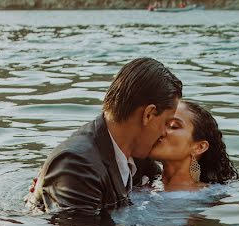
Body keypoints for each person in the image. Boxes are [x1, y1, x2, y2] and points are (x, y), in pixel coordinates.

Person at [26, 58, 182, 217]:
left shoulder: (137, 153)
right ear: (148, 114)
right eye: (166, 123)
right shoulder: (75, 165)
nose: (164, 133)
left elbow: (161, 182)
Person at [147, 99, 238, 192]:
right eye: (159, 123)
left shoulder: (213, 195)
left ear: (200, 147)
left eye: (173, 126)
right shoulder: (141, 182)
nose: (160, 131)